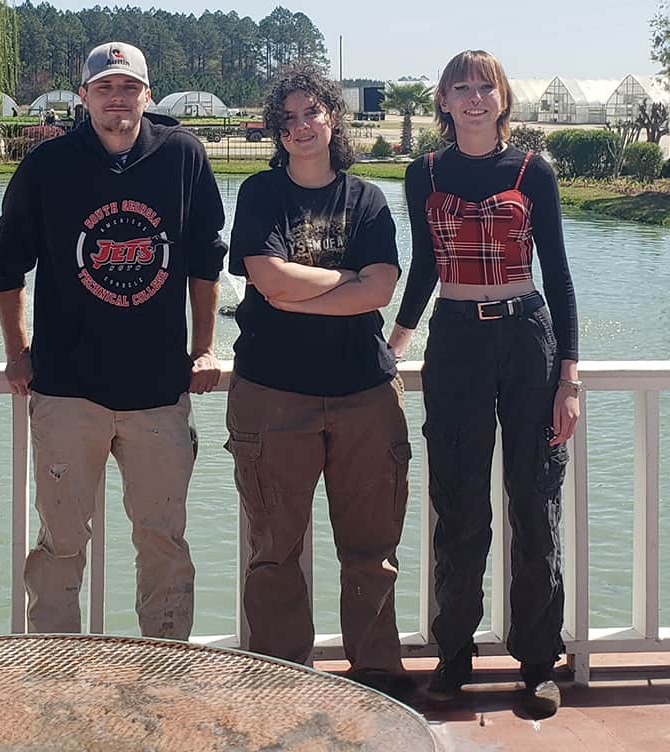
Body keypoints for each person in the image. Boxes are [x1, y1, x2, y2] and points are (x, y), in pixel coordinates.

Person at [0, 41, 227, 640]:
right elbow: (7, 261)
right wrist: (18, 352)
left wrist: (204, 348)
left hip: (158, 389)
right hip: (69, 388)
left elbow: (205, 260)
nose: (116, 98)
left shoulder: (183, 156)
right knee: (61, 542)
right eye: (104, 87)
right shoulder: (48, 165)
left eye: (128, 87)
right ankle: (54, 665)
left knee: (162, 539)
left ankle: (166, 661)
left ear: (147, 95)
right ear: (83, 97)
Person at [387, 50, 579, 717]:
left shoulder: (533, 172)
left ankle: (536, 663)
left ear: (503, 100)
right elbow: (421, 269)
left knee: (534, 505)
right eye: (459, 87)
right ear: (443, 100)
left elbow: (559, 275)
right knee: (460, 508)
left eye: (484, 87)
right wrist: (396, 345)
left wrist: (569, 378)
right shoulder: (425, 173)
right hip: (457, 342)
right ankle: (454, 656)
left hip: (528, 339)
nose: (472, 97)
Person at [225, 66, 410, 694]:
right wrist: (348, 285)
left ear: (334, 117)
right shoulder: (260, 194)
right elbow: (268, 280)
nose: (302, 127)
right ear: (278, 131)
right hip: (272, 394)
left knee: (372, 547)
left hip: (364, 392)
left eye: (312, 113)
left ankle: (378, 673)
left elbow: (384, 287)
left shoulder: (367, 199)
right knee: (274, 549)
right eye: (289, 118)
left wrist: (306, 292)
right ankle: (282, 677)